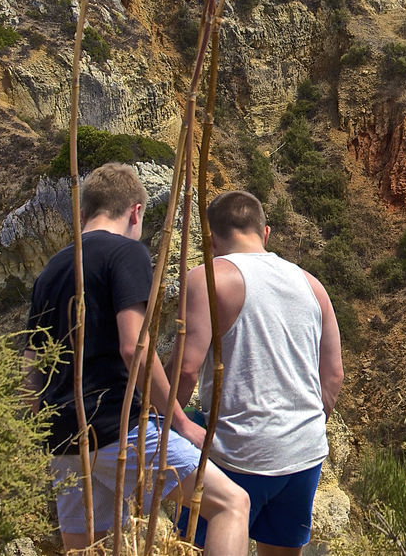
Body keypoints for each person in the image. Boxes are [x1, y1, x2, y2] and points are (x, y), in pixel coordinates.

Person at [25, 162, 250, 554]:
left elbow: (31, 364)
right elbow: (135, 347)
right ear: (136, 212)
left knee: (89, 548)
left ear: (83, 213)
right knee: (232, 504)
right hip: (119, 427)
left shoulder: (52, 270)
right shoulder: (126, 253)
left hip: (64, 439)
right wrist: (178, 422)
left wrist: (40, 432)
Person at [171, 189, 344, 555]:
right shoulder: (312, 285)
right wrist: (299, 430)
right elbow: (333, 376)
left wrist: (168, 421)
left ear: (212, 238)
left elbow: (186, 371)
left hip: (238, 453)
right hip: (304, 453)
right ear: (265, 233)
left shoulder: (209, 278)